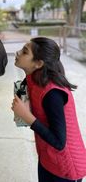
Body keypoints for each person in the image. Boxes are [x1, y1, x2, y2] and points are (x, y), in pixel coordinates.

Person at [11, 37, 86, 182]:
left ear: (38, 63)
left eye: (25, 52)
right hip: (47, 158)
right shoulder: (30, 79)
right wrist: (23, 113)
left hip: (66, 169)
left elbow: (59, 142)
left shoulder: (53, 93)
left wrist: (27, 116)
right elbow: (22, 119)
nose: (18, 53)